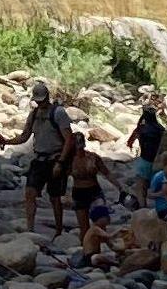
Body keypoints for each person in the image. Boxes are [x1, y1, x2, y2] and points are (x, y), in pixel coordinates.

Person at [12, 83, 77, 238]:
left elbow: (69, 139)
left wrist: (61, 163)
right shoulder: (33, 115)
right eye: (38, 101)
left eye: (42, 100)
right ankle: (30, 228)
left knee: (55, 197)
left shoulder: (59, 113)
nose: (40, 103)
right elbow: (24, 136)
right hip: (39, 159)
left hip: (55, 158)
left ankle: (59, 230)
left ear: (47, 97)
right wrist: (6, 142)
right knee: (30, 192)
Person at [65, 132, 115, 263]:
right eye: (77, 144)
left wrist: (120, 187)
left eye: (80, 143)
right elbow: (62, 175)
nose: (79, 147)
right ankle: (88, 254)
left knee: (101, 222)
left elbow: (107, 173)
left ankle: (98, 250)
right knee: (84, 227)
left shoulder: (93, 158)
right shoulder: (68, 160)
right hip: (79, 192)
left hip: (94, 191)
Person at [128, 92, 167, 191]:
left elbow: (130, 142)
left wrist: (131, 146)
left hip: (145, 159)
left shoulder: (141, 129)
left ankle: (142, 204)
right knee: (155, 185)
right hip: (157, 160)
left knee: (141, 185)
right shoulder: (161, 129)